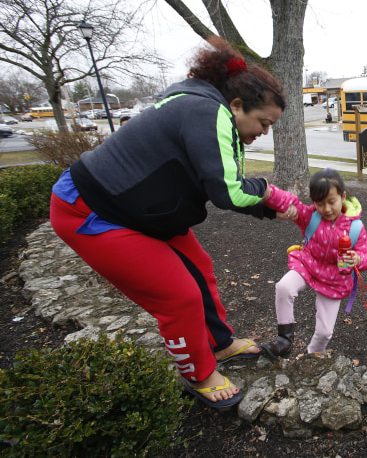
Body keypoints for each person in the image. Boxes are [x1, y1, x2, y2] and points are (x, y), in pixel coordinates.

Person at [48, 37, 286, 408]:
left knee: (200, 269)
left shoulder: (207, 109)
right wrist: (272, 196)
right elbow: (229, 192)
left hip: (138, 210)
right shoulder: (208, 112)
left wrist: (266, 203)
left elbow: (216, 181)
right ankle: (197, 373)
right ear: (236, 105)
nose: (264, 132)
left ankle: (219, 345)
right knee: (179, 295)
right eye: (263, 122)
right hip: (90, 210)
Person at [259, 169, 367, 358]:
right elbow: (289, 200)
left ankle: (312, 356)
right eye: (320, 203)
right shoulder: (310, 216)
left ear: (343, 197)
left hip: (335, 279)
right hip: (308, 265)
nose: (326, 209)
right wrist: (265, 191)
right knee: (284, 287)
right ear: (313, 202)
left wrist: (358, 259)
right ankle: (284, 340)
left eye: (331, 202)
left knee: (325, 332)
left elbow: (366, 255)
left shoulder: (355, 227)